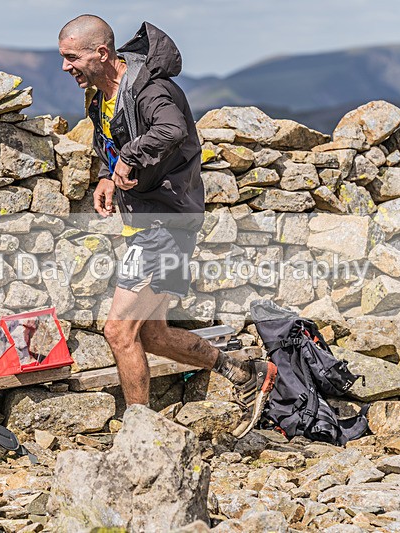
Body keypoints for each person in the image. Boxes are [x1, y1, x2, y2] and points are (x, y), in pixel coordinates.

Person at [58, 15, 276, 437]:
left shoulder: (150, 89)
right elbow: (113, 145)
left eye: (71, 58)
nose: (66, 67)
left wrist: (130, 158)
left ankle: (138, 435)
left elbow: (171, 128)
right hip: (148, 224)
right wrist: (108, 174)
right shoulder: (101, 96)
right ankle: (246, 372)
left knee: (118, 332)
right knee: (152, 334)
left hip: (166, 224)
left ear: (101, 53)